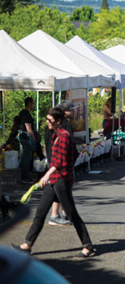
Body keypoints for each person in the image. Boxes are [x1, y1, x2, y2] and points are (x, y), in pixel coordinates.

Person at [14, 107, 95, 257]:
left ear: (58, 121)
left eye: (49, 120)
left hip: (62, 180)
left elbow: (59, 162)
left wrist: (46, 176)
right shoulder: (54, 135)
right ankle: (27, 245)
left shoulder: (64, 136)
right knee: (40, 212)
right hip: (55, 179)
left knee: (72, 214)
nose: (47, 122)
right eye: (46, 119)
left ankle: (87, 245)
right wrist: (49, 176)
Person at [18, 97, 36, 184]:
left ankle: (20, 175)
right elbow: (29, 129)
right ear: (29, 103)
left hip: (21, 137)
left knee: (22, 157)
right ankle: (25, 176)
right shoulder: (27, 115)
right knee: (26, 158)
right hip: (26, 139)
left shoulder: (21, 113)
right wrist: (34, 139)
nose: (34, 105)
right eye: (33, 103)